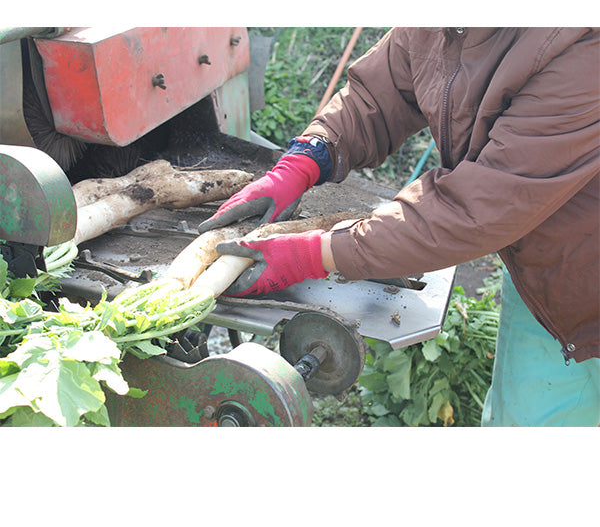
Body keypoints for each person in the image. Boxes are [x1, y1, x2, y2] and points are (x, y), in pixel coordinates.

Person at [198, 27, 600, 427]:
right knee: (522, 421)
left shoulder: (580, 45)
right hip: (551, 274)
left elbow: (480, 204)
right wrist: (303, 161)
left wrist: (312, 254)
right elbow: (376, 94)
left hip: (588, 268)